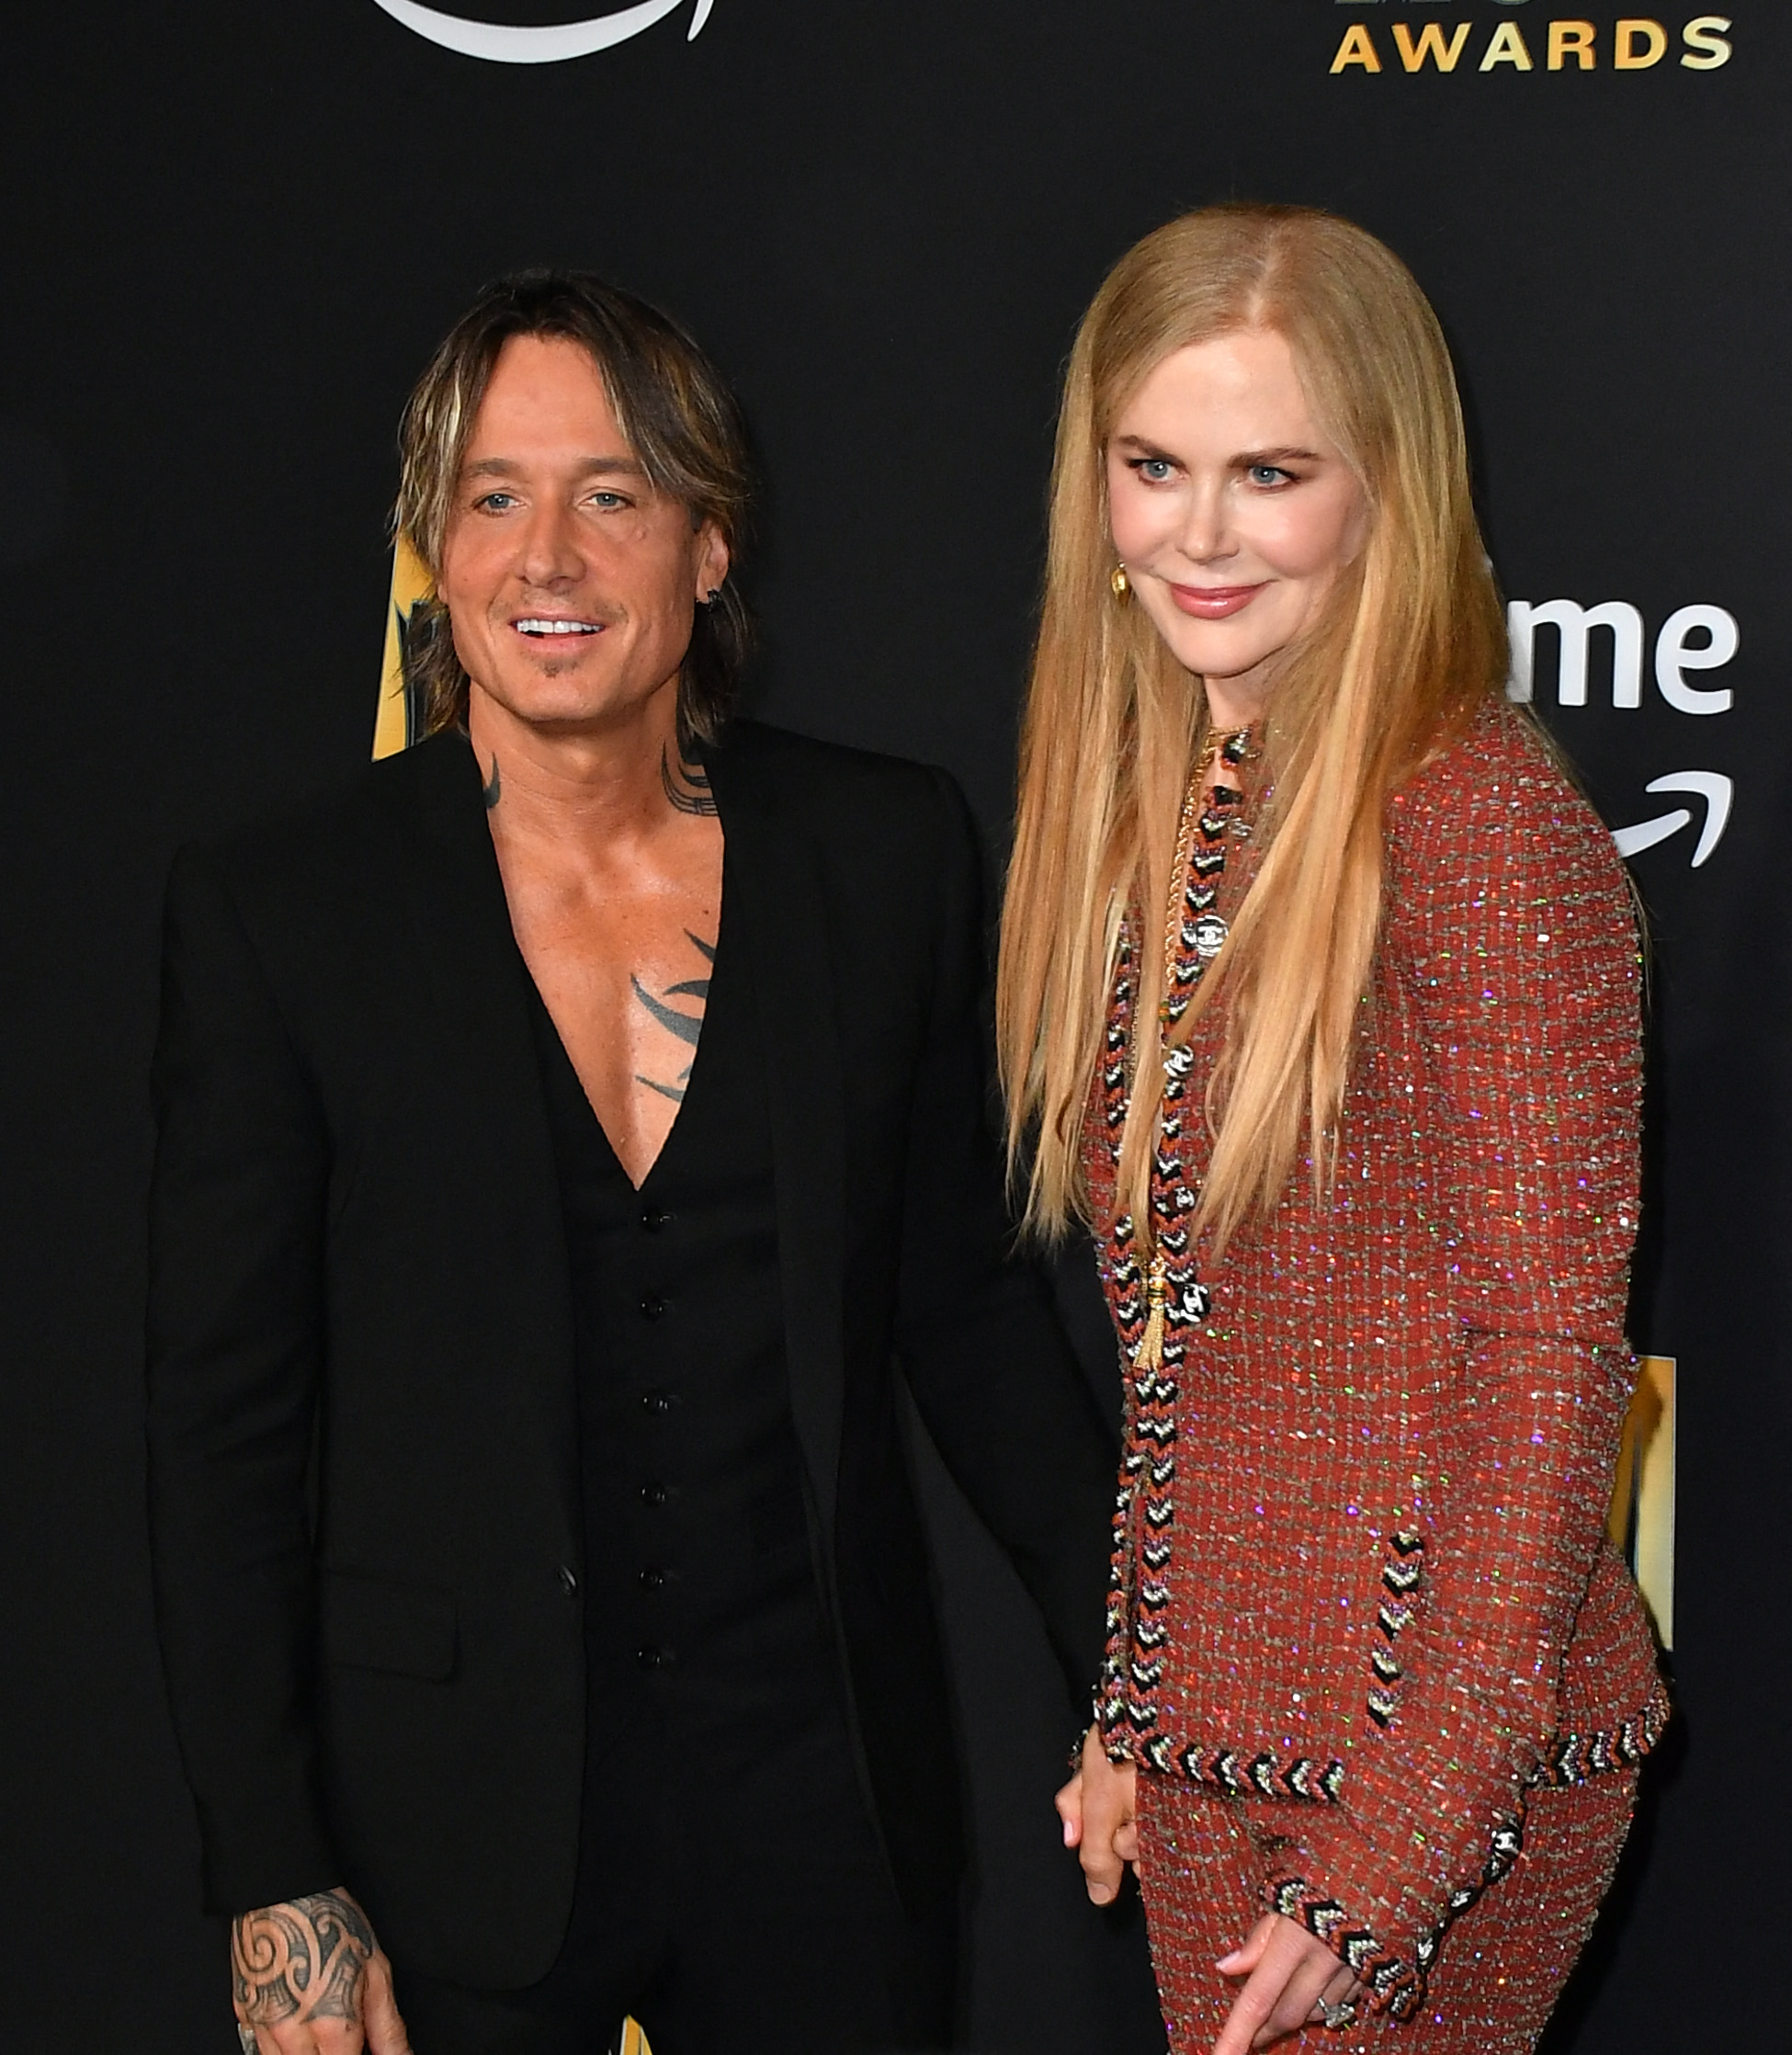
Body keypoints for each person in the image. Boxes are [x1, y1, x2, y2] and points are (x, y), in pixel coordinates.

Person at [146, 270, 1117, 2055]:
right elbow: (222, 1430)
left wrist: (1125, 1675)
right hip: (447, 1826)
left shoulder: (883, 852)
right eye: (493, 496)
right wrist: (272, 1866)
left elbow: (968, 1316)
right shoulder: (284, 908)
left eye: (612, 493)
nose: (546, 558)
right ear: (434, 548)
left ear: (711, 540)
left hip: (825, 1804)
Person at [996, 205, 1669, 2055]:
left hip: (1425, 1774)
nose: (1200, 533)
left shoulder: (1471, 816)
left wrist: (1396, 1847)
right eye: (1156, 466)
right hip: (1227, 1740)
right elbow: (1193, 1347)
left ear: (1385, 487)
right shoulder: (1181, 783)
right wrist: (1140, 1699)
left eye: (1271, 473)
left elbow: (1549, 1356)